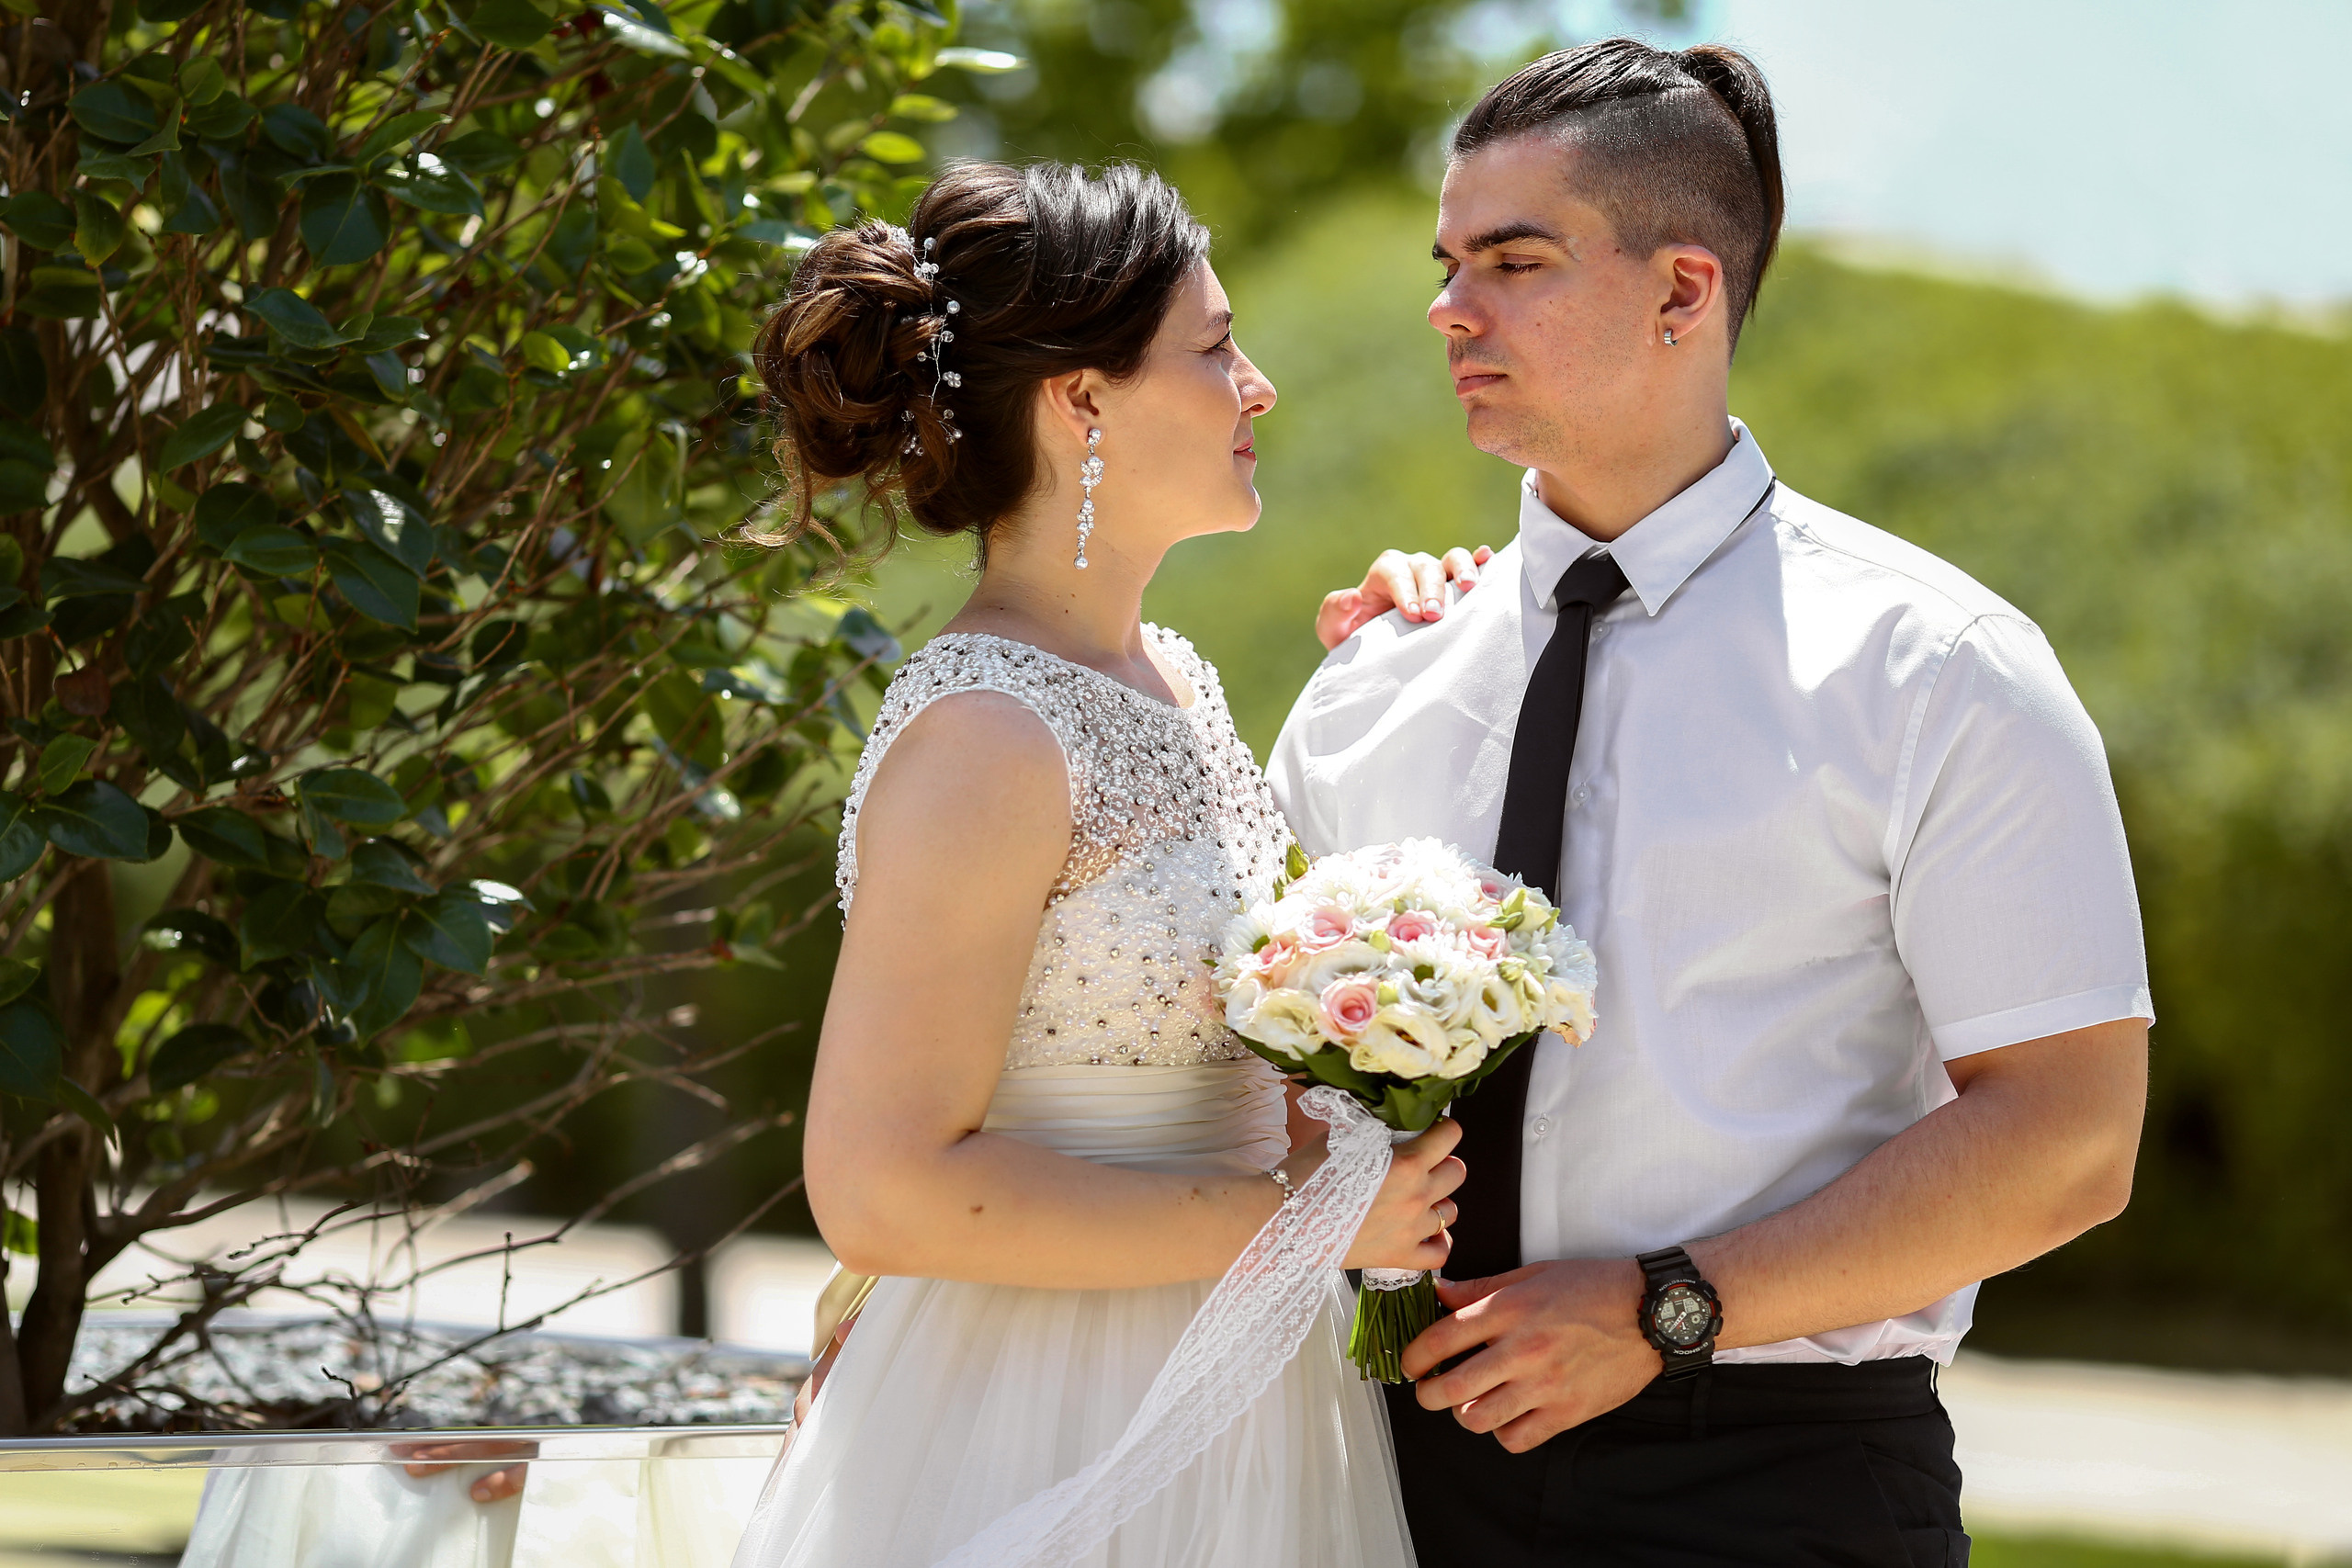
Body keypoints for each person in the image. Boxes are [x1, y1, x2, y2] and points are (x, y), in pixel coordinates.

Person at [1269, 39, 2153, 1568]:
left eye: (1514, 259)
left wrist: (1666, 1306)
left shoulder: (1937, 671)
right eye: (1448, 261)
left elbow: (2073, 1134)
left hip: (1770, 1486)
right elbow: (1239, 1080)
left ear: (1686, 292)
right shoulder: (1374, 680)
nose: (1448, 309)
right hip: (1371, 1479)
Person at [728, 160, 1476, 1568]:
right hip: (1045, 1409)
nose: (1257, 385)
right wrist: (1296, 1226)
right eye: (1213, 347)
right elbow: (880, 1187)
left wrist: (1423, 654)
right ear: (1081, 402)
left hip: (1251, 1392)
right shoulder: (986, 736)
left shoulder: (1174, 678)